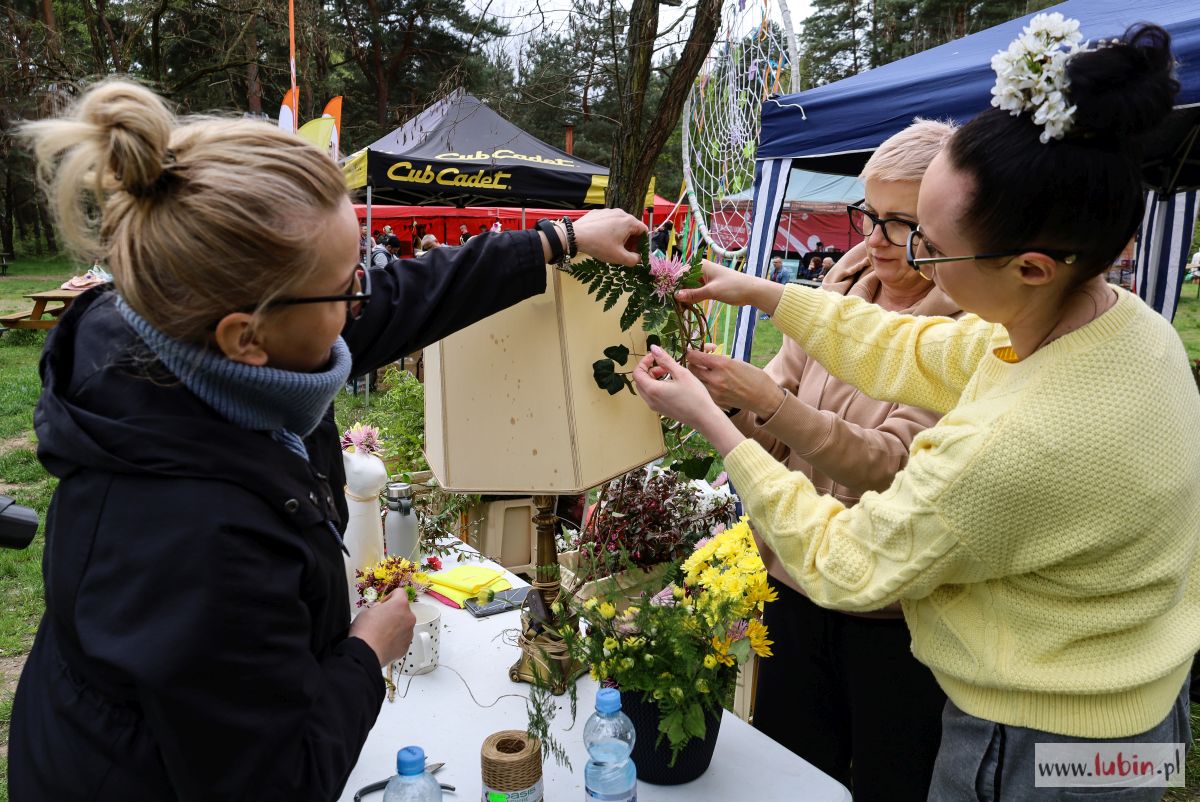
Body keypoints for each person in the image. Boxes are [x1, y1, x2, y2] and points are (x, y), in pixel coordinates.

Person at [8, 78, 646, 801]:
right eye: (347, 288)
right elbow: (279, 781)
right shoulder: (189, 540)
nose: (362, 303)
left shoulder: (179, 339)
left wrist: (556, 241)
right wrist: (366, 651)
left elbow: (405, 297)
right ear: (246, 337)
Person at [633, 22, 1199, 801]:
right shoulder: (1125, 329)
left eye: (925, 243)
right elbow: (917, 350)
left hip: (1036, 747)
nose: (891, 253)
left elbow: (846, 561)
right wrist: (761, 290)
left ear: (1031, 266)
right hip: (1136, 715)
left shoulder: (1015, 441)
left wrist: (717, 423)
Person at [686, 120, 958, 802]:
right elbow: (774, 420)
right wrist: (714, 393)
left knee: (891, 777)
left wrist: (769, 403)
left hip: (892, 614)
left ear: (950, 222)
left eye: (901, 223)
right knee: (789, 771)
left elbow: (893, 462)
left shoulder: (964, 327)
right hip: (796, 585)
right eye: (869, 214)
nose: (873, 238)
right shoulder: (841, 291)